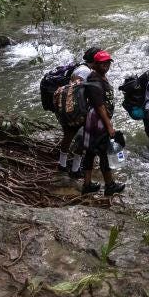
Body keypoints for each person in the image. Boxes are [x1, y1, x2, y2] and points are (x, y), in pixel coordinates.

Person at [78, 50, 126, 196]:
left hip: (94, 120)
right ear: (95, 64)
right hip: (97, 121)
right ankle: (110, 185)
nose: (106, 65)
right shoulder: (95, 80)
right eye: (102, 63)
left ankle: (87, 184)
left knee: (90, 152)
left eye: (107, 63)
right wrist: (109, 126)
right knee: (104, 152)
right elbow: (100, 106)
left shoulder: (99, 77)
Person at [55, 46, 100, 178]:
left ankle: (62, 164)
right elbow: (74, 90)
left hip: (69, 108)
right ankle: (75, 169)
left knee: (68, 136)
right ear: (95, 59)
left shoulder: (81, 68)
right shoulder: (85, 71)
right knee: (82, 139)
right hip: (77, 110)